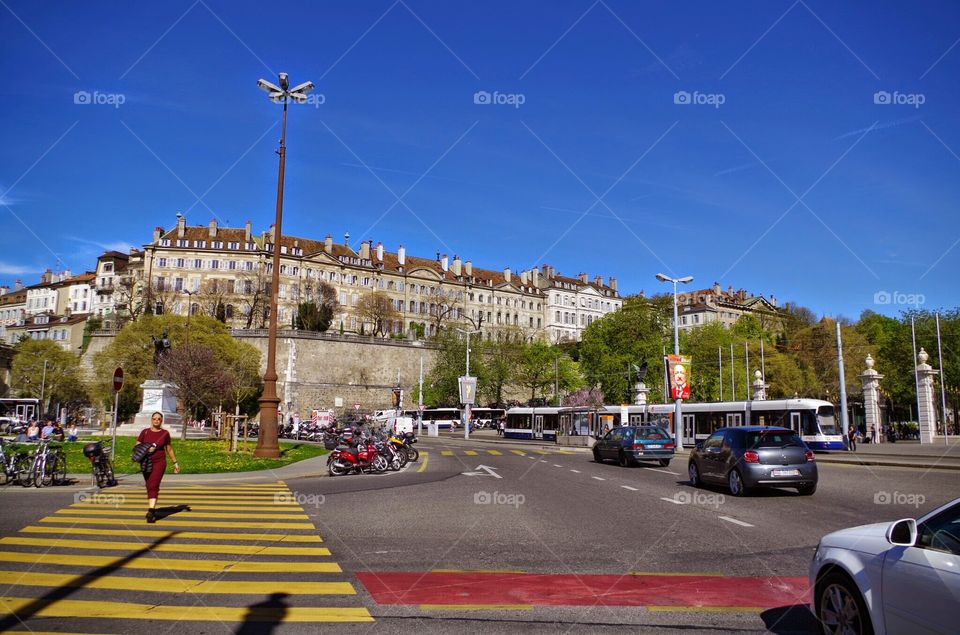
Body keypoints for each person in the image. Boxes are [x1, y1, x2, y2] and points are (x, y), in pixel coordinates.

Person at [137, 411, 180, 523]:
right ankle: (152, 508)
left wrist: (175, 463)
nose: (156, 421)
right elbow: (137, 446)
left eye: (159, 419)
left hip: (159, 462)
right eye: (154, 419)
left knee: (154, 484)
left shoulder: (165, 433)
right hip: (146, 462)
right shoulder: (144, 432)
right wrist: (146, 449)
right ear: (151, 420)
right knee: (149, 485)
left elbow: (169, 449)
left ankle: (151, 511)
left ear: (162, 421)